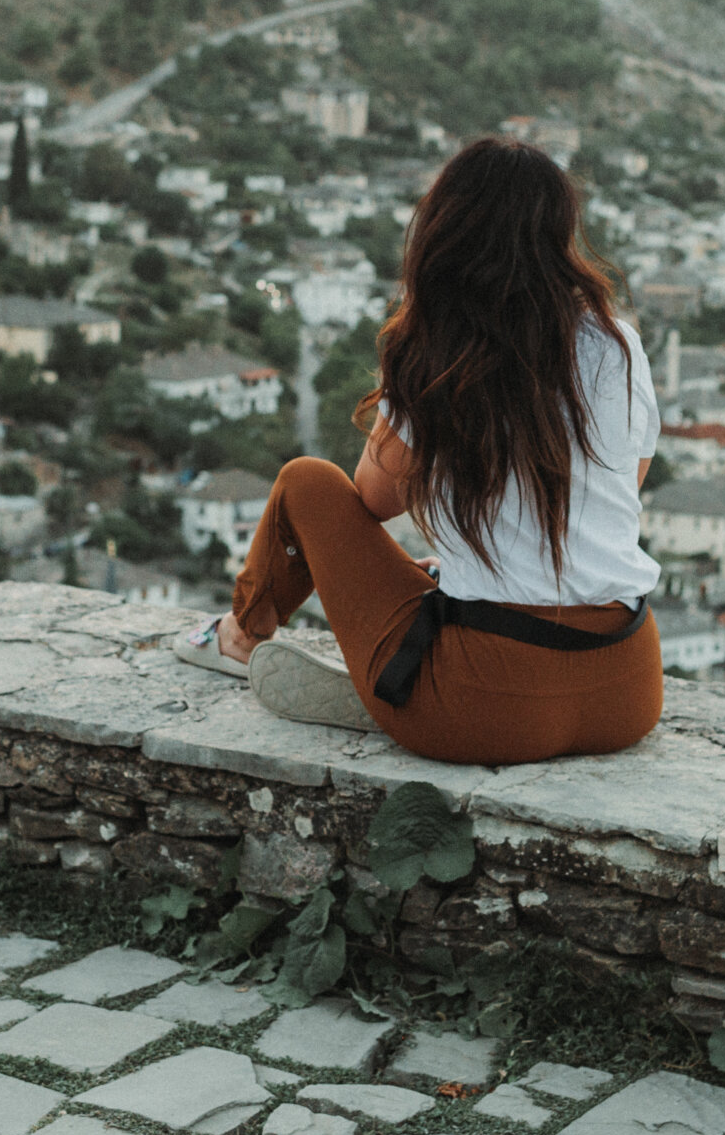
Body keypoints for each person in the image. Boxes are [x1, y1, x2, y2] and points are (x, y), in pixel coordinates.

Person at [179, 137, 664, 765]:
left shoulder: (443, 352)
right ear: (560, 235)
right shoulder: (618, 344)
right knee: (442, 576)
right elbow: (624, 483)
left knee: (307, 482)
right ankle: (392, 672)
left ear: (444, 230)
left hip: (485, 708)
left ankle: (242, 638)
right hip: (626, 690)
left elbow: (376, 499)